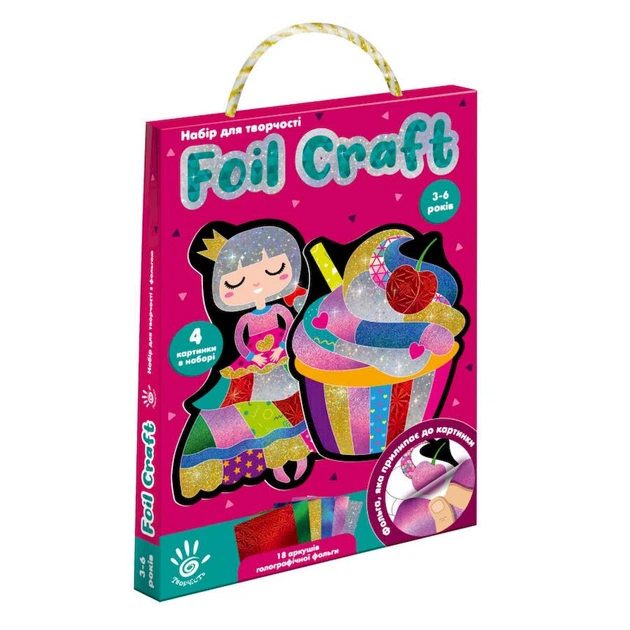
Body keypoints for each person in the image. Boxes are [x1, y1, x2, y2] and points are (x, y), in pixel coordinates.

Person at [174, 222, 312, 503]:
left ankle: (298, 447)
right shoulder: (246, 318)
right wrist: (253, 357)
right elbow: (240, 340)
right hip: (253, 364)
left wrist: (282, 350)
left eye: (273, 271)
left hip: (282, 358)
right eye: (235, 283)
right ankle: (259, 454)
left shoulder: (280, 309)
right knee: (238, 402)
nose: (257, 285)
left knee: (298, 398)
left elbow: (289, 326)